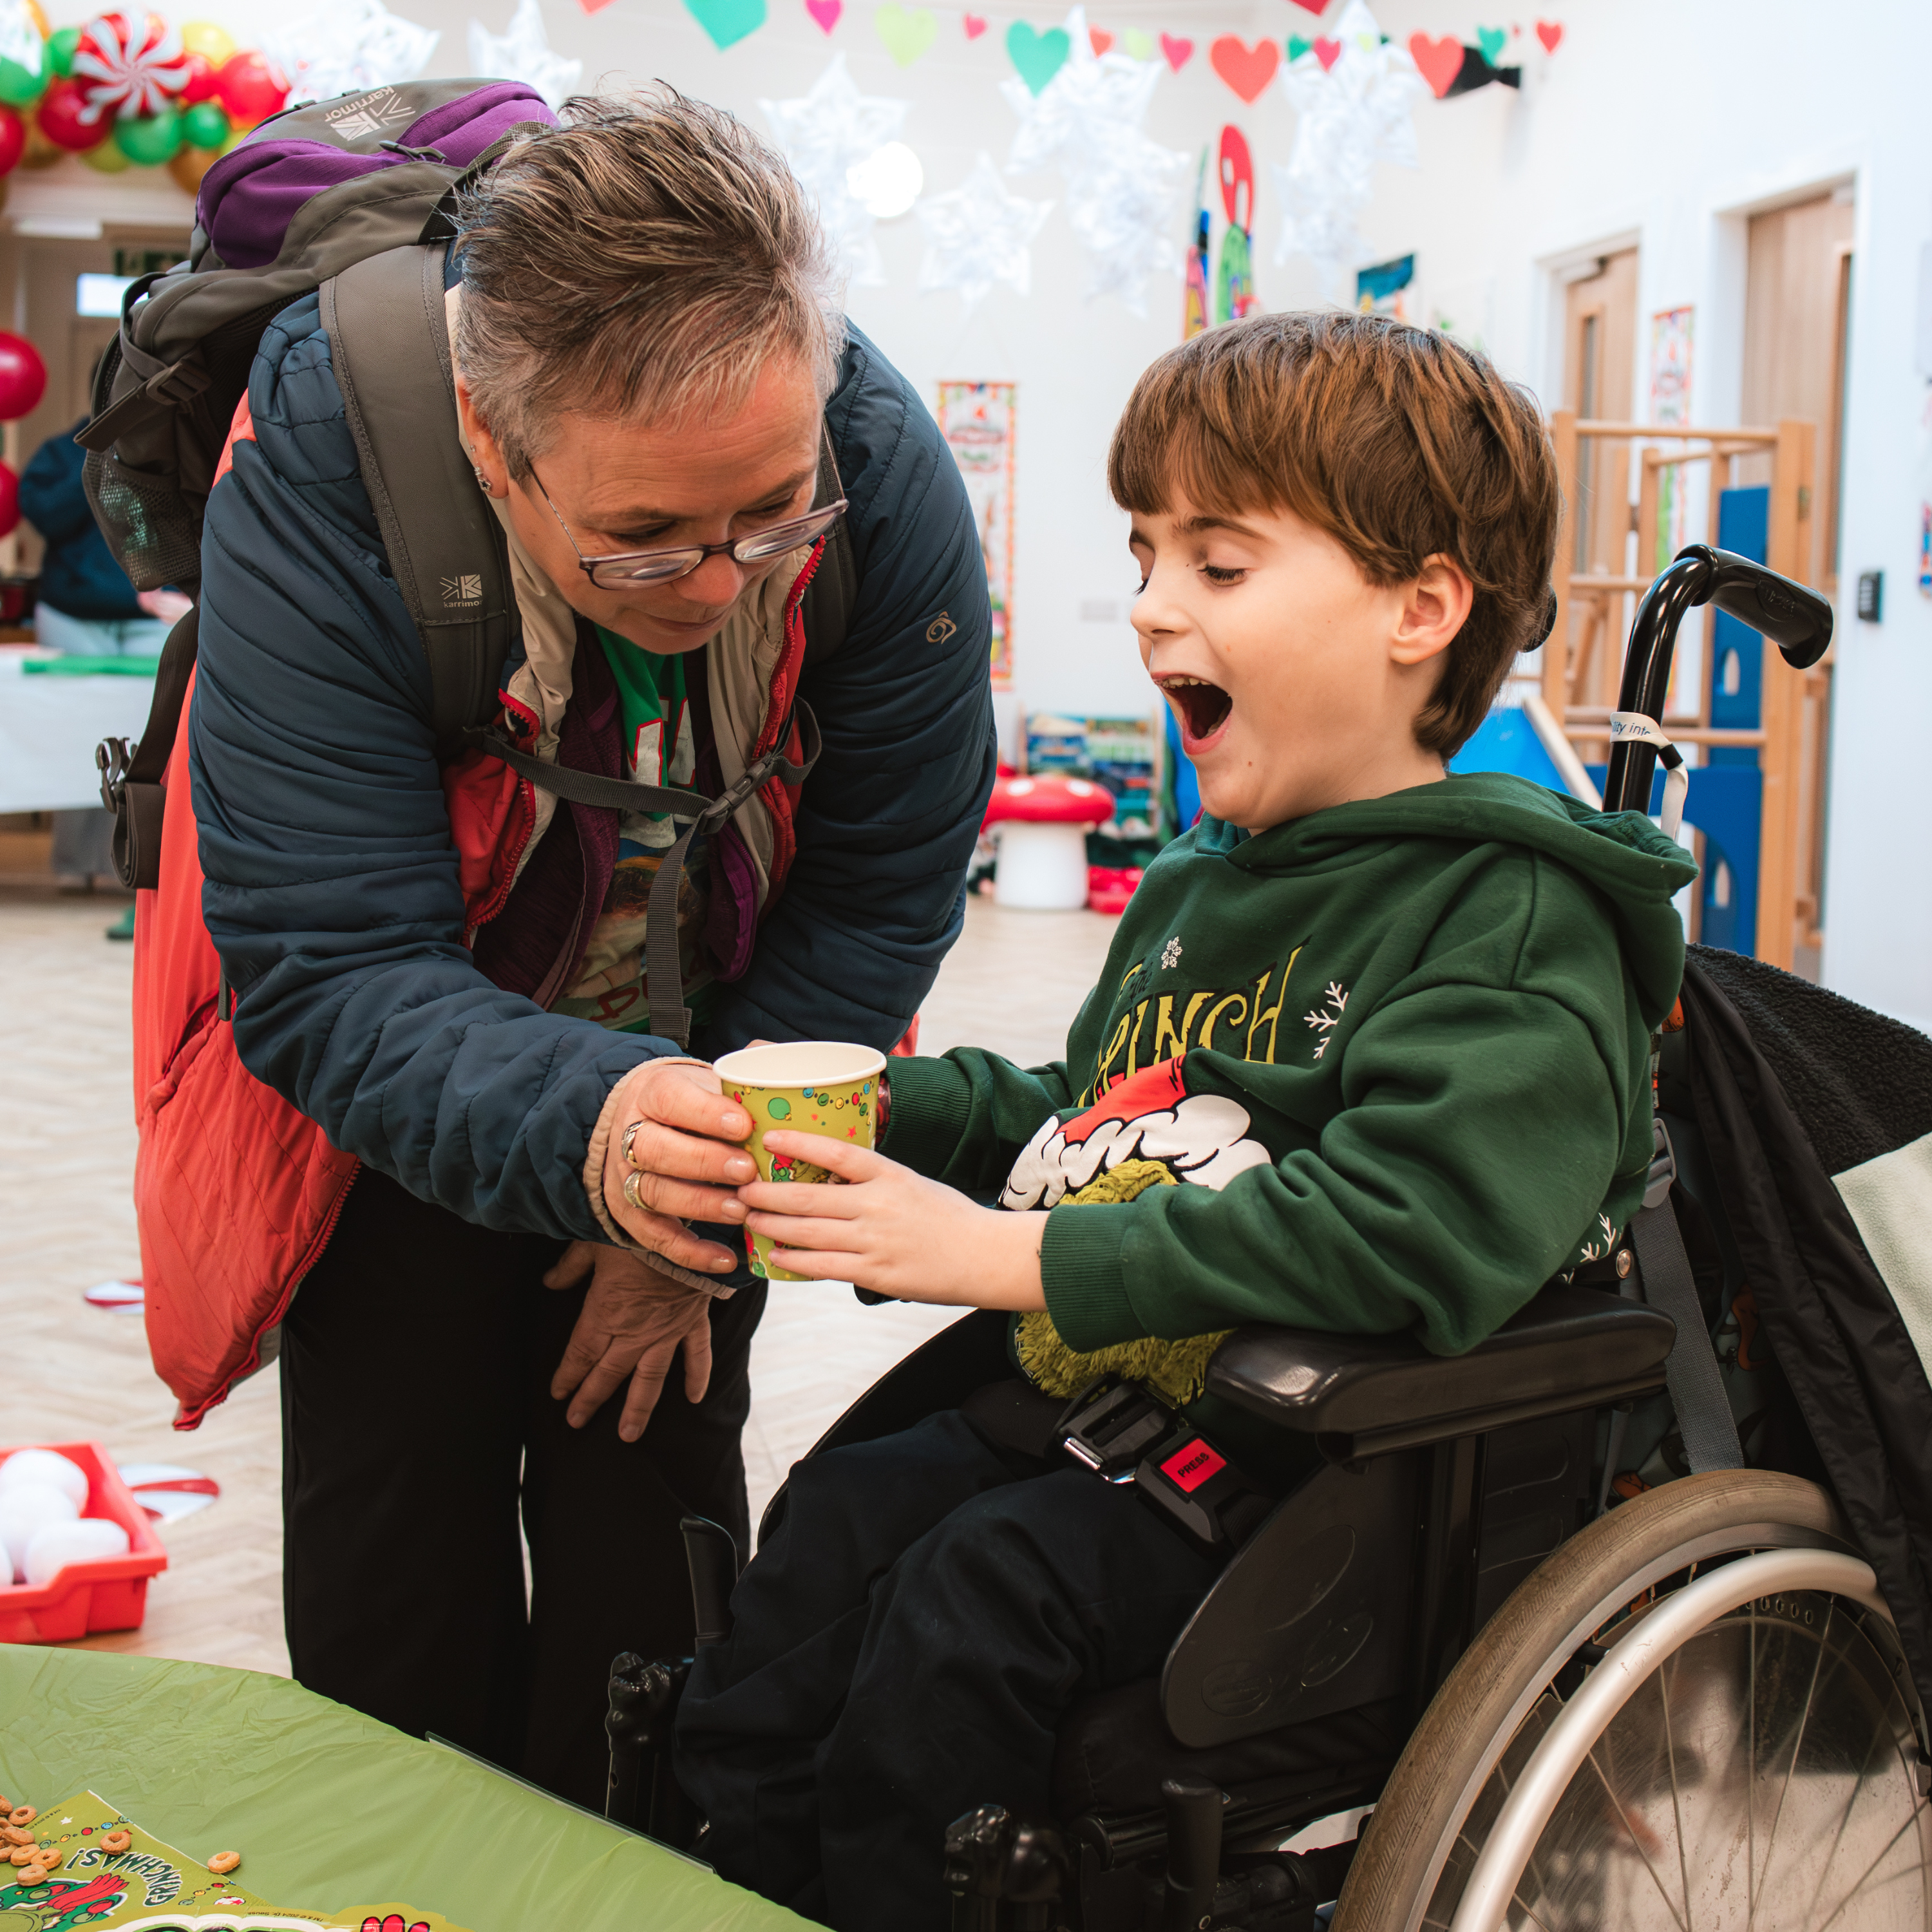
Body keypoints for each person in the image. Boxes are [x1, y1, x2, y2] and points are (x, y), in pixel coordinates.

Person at [674, 310, 1698, 1927]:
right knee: (833, 1521)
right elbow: (1101, 1119)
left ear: (1418, 608)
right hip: (1124, 1413)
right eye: (1146, 554)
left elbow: (1408, 1224)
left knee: (969, 1601)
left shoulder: (1507, 916)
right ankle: (719, 1874)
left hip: (1326, 1467)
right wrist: (896, 1108)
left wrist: (1018, 1260)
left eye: (1217, 567)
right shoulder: (1196, 886)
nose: (1152, 605)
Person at [180, 91, 993, 1806]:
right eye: (642, 541)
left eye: (768, 519)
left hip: (710, 1076)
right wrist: (601, 1135)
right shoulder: (335, 451)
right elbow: (328, 961)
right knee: (397, 1613)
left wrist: (691, 1216)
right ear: (493, 441)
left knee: (661, 1612)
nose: (716, 584)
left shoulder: (884, 474)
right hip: (403, 1084)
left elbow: (881, 890)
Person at [19, 408, 187, 917]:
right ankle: (74, 864)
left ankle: (131, 863)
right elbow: (45, 513)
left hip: (151, 614)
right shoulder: (61, 450)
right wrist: (98, 457)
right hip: (73, 614)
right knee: (72, 738)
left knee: (147, 742)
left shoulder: (167, 441)